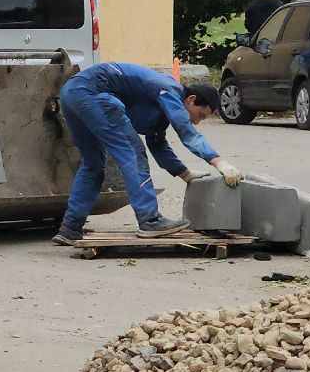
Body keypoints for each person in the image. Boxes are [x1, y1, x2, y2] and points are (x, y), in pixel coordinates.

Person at [54, 61, 243, 244]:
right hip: (92, 92)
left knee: (93, 164)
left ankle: (70, 227)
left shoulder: (159, 105)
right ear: (191, 99)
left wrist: (184, 173)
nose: (197, 121)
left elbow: (157, 143)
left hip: (70, 94)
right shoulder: (170, 90)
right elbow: (187, 132)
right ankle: (150, 220)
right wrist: (219, 162)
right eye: (200, 115)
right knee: (134, 154)